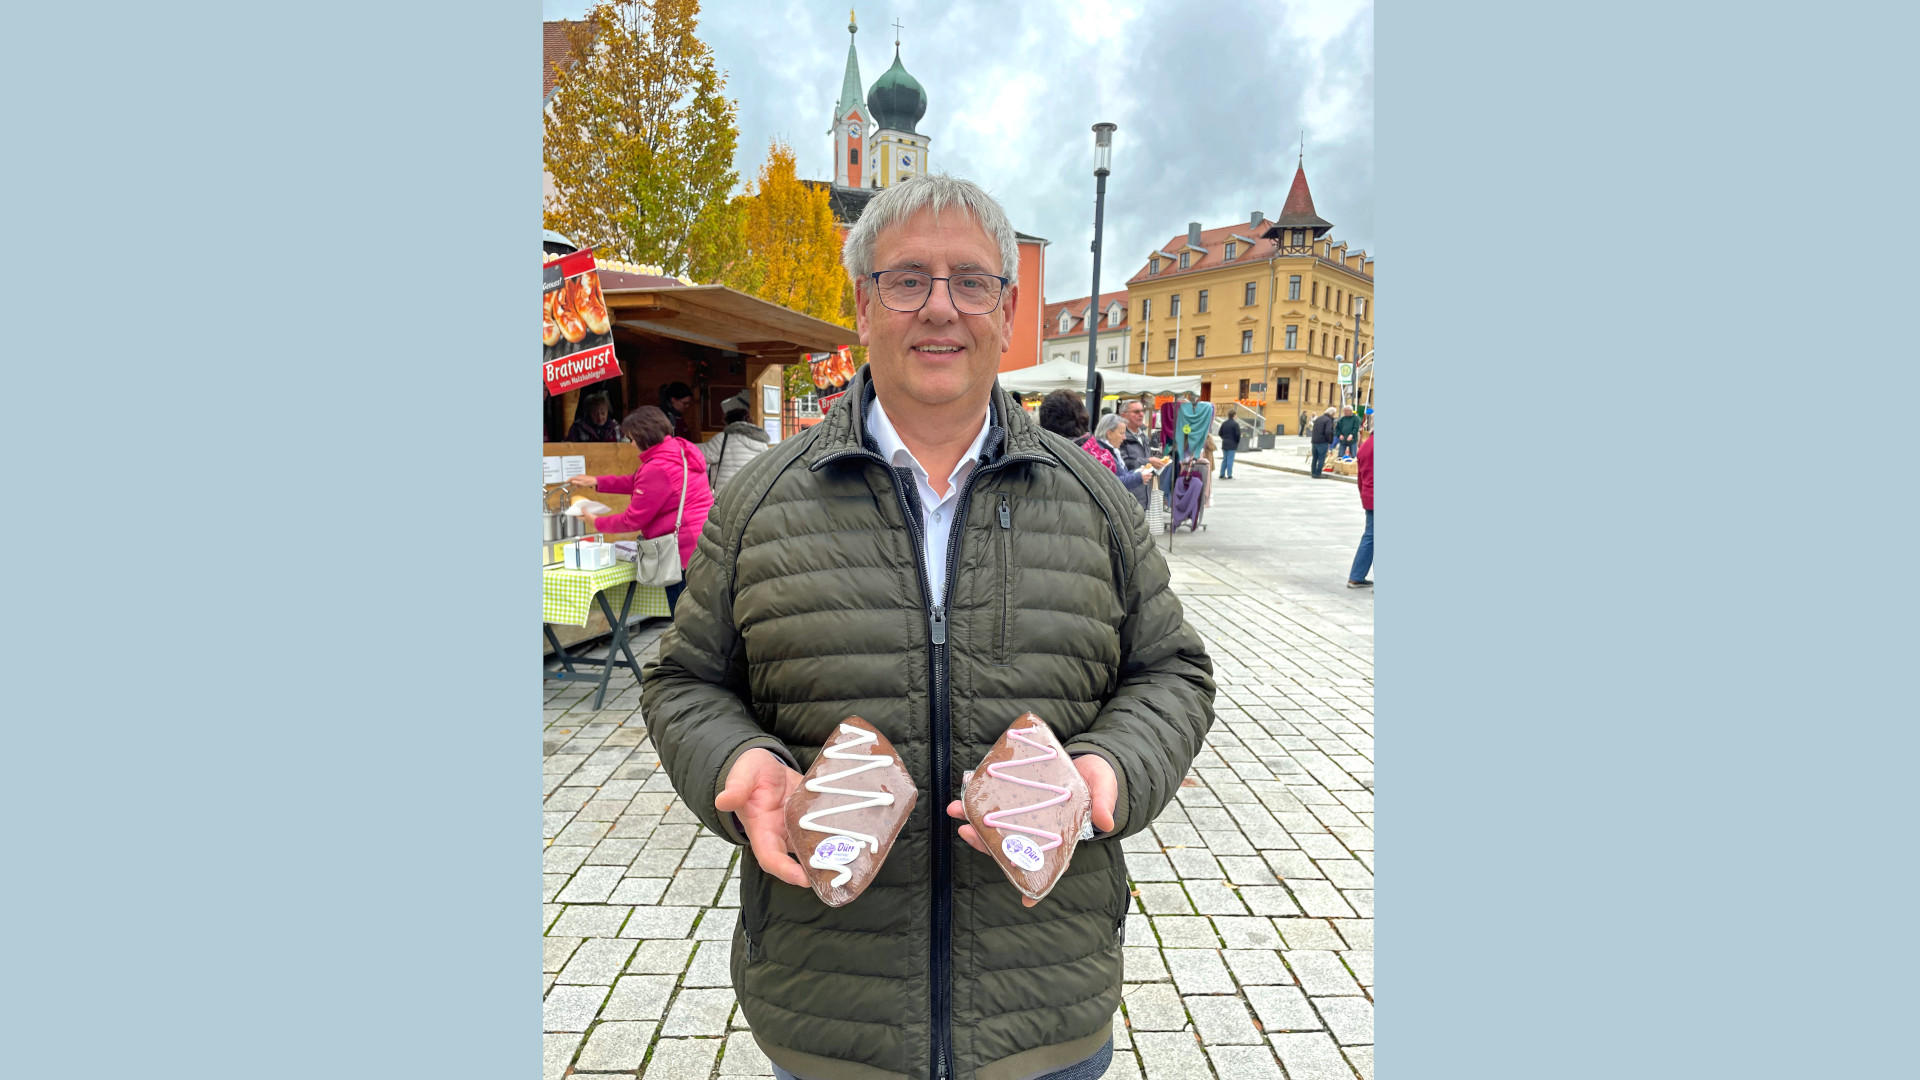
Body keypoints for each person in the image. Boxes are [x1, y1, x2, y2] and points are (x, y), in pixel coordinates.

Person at [639, 174, 1215, 1080]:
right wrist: (734, 762)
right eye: (907, 279)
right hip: (831, 1013)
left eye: (970, 281)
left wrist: (1110, 769)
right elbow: (684, 681)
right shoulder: (759, 502)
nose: (940, 307)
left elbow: (1172, 672)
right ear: (863, 304)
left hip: (1044, 1010)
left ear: (1007, 309)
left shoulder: (1094, 500)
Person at [563, 406, 713, 614]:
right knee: (705, 616)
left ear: (644, 436)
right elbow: (638, 482)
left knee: (686, 619)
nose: (631, 444)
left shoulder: (657, 467)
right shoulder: (679, 451)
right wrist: (597, 481)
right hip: (704, 543)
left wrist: (595, 521)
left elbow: (632, 520)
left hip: (682, 552)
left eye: (631, 438)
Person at [699, 390, 771, 493]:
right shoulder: (762, 443)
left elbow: (696, 453)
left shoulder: (723, 439)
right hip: (751, 494)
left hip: (726, 495)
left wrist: (677, 443)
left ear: (728, 422)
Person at [1081, 411, 1156, 504]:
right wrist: (1139, 477)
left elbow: (1121, 475)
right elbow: (1112, 484)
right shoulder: (1101, 454)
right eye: (1121, 433)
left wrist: (1137, 472)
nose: (1124, 437)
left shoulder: (1110, 450)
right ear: (1109, 433)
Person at [1348, 418, 1374, 588]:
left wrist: (1363, 494)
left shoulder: (1366, 445)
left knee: (1370, 536)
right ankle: (1356, 576)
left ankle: (1356, 576)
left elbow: (1360, 475)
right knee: (1372, 537)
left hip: (1369, 494)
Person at [1310, 406, 1338, 478]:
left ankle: (1313, 472)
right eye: (1334, 414)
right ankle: (1318, 473)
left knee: (1315, 458)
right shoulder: (1328, 420)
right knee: (1321, 458)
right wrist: (1329, 441)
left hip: (1315, 441)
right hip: (1322, 441)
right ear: (1331, 414)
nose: (1334, 416)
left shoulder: (1318, 419)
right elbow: (1328, 432)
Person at [1217, 405, 1241, 479]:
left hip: (1225, 443)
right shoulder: (1235, 424)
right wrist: (1236, 441)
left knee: (1225, 459)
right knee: (1230, 459)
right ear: (1234, 415)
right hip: (1232, 444)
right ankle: (1229, 474)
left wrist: (1224, 438)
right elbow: (1238, 434)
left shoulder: (1224, 423)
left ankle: (1222, 474)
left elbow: (1219, 433)